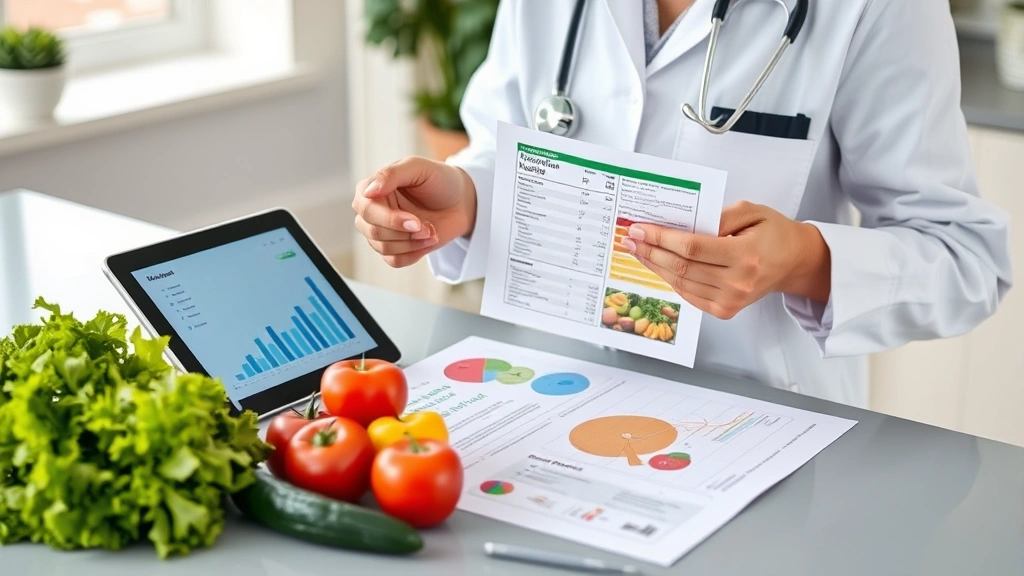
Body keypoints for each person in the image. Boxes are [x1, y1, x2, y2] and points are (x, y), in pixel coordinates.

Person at [351, 0, 1013, 408]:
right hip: (546, 396)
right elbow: (513, 144)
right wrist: (465, 196)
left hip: (755, 425)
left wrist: (803, 260)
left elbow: (964, 259)